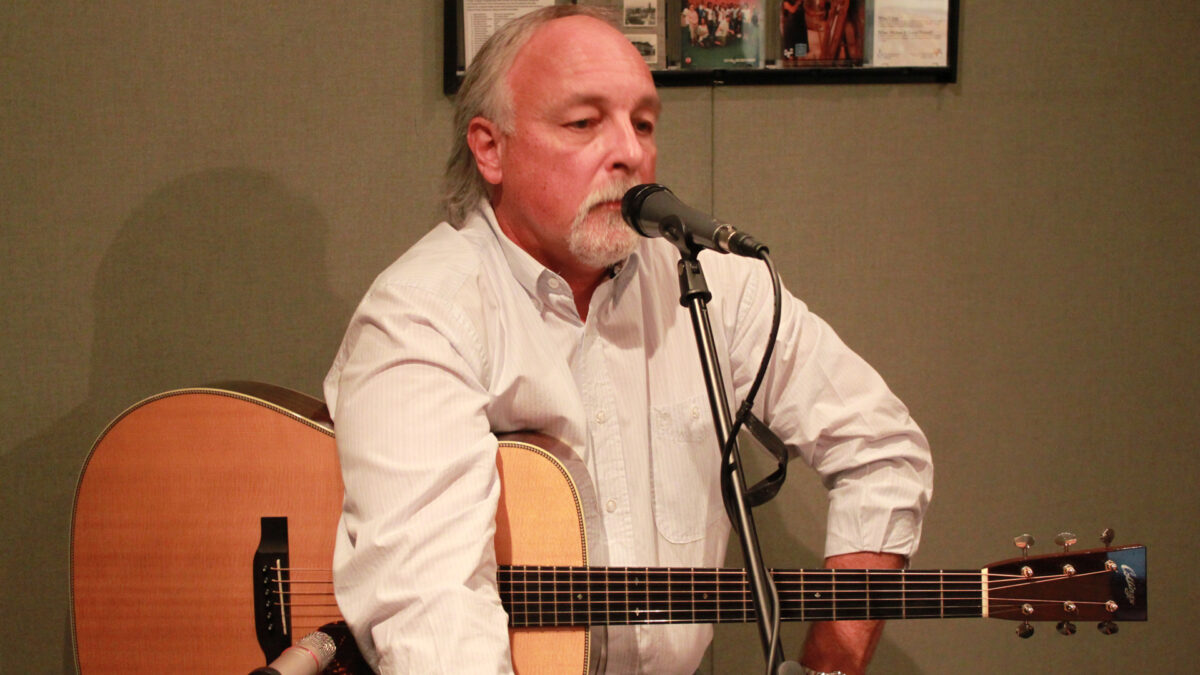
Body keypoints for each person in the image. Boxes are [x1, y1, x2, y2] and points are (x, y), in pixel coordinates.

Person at [325, 6, 932, 674]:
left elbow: (882, 447)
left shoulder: (718, 288)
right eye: (584, 123)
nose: (631, 152)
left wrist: (829, 666)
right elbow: (431, 613)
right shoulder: (423, 313)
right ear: (491, 149)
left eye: (643, 123)